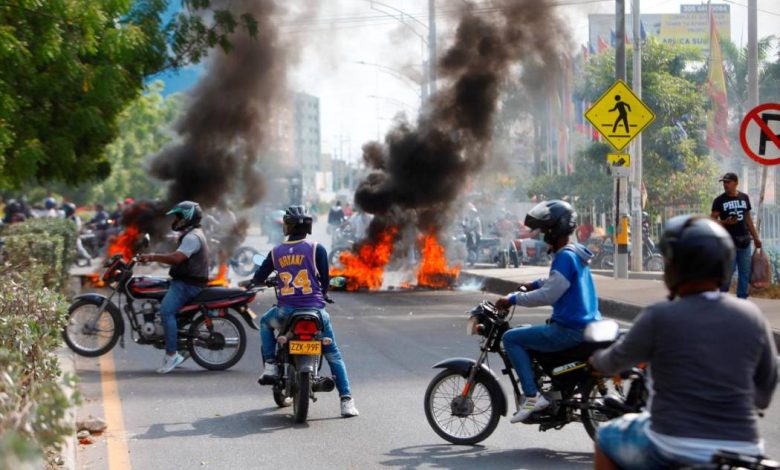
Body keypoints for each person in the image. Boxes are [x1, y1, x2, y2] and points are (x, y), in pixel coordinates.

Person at [590, 215, 777, 469]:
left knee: (606, 436)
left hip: (670, 444)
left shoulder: (659, 316)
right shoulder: (752, 316)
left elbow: (614, 361)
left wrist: (596, 360)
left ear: (673, 268)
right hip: (744, 447)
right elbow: (764, 392)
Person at [494, 200, 601, 422]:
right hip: (588, 325)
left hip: (571, 329)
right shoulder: (576, 253)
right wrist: (534, 283)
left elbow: (550, 294)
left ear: (556, 228)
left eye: (546, 229)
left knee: (512, 338)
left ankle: (532, 396)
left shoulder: (564, 257)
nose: (543, 234)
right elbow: (556, 282)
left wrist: (513, 299)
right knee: (529, 333)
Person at [251, 205, 359, 418]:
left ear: (287, 226)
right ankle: (346, 401)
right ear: (308, 226)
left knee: (264, 322)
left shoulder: (276, 252)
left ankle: (271, 365)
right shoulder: (316, 248)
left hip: (286, 311)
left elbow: (258, 278)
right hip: (315, 311)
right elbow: (325, 280)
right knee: (333, 354)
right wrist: (323, 293)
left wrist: (262, 281)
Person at [138, 201, 209, 374]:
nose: (176, 220)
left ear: (187, 217)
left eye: (178, 216)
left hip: (188, 284)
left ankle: (172, 354)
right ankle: (178, 345)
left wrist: (153, 257)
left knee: (166, 312)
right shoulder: (192, 234)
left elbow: (177, 258)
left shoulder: (192, 237)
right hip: (185, 280)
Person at [711, 172, 762, 299]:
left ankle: (742, 300)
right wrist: (724, 222)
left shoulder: (744, 198)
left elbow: (748, 220)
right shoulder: (719, 201)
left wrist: (756, 238)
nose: (725, 185)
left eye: (728, 182)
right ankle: (721, 298)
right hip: (728, 243)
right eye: (724, 182)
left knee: (744, 273)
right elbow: (711, 221)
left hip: (744, 241)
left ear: (736, 183)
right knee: (728, 272)